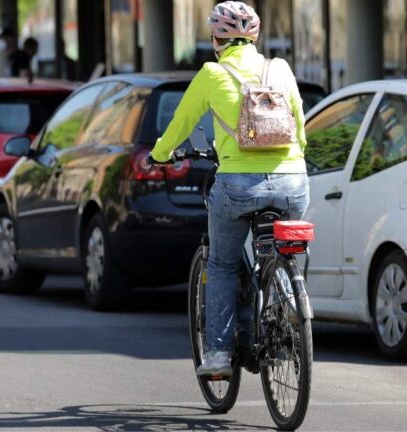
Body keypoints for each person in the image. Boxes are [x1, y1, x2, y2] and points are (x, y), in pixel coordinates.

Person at [148, 1, 309, 377]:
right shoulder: (280, 69)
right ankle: (286, 299)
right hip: (293, 181)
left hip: (238, 185)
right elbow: (300, 124)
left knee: (221, 263)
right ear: (254, 37)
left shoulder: (211, 73)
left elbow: (180, 123)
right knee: (280, 249)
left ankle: (219, 354)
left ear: (216, 39)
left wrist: (160, 154)